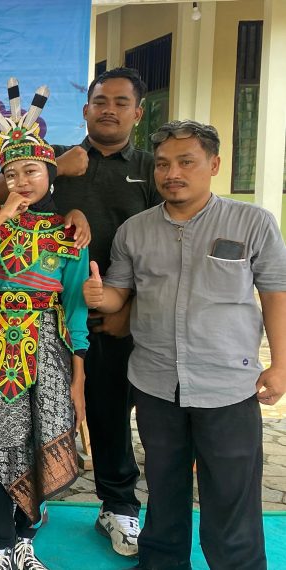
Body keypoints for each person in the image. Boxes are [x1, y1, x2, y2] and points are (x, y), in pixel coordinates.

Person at [84, 119, 286, 570]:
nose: (172, 172)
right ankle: (160, 563)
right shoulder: (135, 230)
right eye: (162, 164)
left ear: (213, 164)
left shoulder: (252, 222)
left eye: (186, 162)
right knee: (164, 485)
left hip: (229, 384)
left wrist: (281, 366)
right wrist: (102, 295)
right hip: (156, 383)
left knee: (232, 495)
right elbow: (120, 292)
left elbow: (276, 293)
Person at [0, 68, 161, 556]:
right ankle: (12, 519)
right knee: (35, 418)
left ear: (137, 114)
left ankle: (118, 507)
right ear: (85, 109)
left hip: (118, 313)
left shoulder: (149, 167)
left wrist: (129, 309)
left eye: (122, 102)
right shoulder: (57, 153)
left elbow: (159, 243)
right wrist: (58, 167)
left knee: (109, 414)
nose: (110, 109)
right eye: (101, 100)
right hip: (43, 322)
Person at [0, 82, 89, 570]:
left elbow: (74, 306)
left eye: (31, 171)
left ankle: (27, 541)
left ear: (50, 174)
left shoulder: (70, 231)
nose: (22, 180)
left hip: (48, 347)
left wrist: (80, 369)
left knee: (40, 438)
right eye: (11, 173)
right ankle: (3, 547)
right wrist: (1, 215)